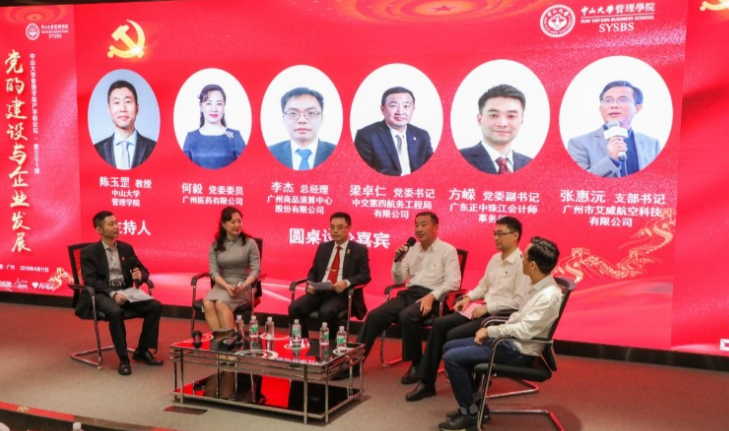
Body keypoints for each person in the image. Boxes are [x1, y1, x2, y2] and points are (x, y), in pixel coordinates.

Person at [437, 237, 563, 431]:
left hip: (518, 350)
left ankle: (469, 414)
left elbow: (523, 331)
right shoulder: (536, 284)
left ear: (533, 265)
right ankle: (477, 405)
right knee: (448, 347)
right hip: (508, 341)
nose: (521, 259)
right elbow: (518, 318)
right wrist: (494, 330)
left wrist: (490, 330)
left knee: (452, 358)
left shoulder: (548, 296)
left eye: (524, 256)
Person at [404, 216, 530, 401]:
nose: (496, 238)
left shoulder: (522, 263)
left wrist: (488, 307)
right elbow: (483, 286)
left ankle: (471, 385)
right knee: (439, 325)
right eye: (494, 233)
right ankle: (427, 383)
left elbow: (519, 302)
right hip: (483, 310)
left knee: (453, 335)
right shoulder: (495, 259)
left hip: (500, 316)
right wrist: (468, 297)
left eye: (501, 234)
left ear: (515, 235)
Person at [355, 212, 461, 381]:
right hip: (410, 294)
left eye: (424, 224)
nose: (419, 229)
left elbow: (454, 282)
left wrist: (432, 296)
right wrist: (397, 261)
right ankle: (354, 363)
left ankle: (417, 365)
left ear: (436, 228)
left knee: (407, 316)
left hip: (433, 298)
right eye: (416, 225)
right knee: (375, 315)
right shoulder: (411, 249)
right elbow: (399, 280)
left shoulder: (448, 250)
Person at [79, 211, 163, 376]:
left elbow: (142, 269)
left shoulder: (125, 248)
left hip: (126, 290)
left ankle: (142, 350)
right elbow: (91, 280)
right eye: (111, 224)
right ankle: (124, 358)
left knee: (155, 306)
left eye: (117, 223)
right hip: (101, 293)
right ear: (99, 230)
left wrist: (140, 275)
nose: (117, 227)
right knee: (116, 312)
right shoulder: (89, 252)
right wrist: (112, 294)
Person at [288, 212, 371, 338]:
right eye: (332, 227)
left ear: (349, 228)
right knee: (294, 308)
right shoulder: (323, 247)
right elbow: (313, 271)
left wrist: (346, 282)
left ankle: (329, 346)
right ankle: (302, 342)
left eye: (339, 227)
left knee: (326, 312)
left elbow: (365, 276)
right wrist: (310, 284)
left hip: (341, 294)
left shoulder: (359, 250)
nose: (335, 231)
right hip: (320, 292)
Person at [567, 80, 661, 177]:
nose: (614, 105)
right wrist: (611, 160)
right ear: (600, 109)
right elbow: (579, 181)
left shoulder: (652, 144)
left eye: (623, 100)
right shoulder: (578, 144)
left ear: (637, 108)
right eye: (608, 100)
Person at [203, 206, 261, 332]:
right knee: (207, 303)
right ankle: (220, 342)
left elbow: (256, 270)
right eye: (232, 222)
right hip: (223, 284)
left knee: (221, 304)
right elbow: (213, 272)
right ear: (223, 224)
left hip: (243, 285)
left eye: (239, 221)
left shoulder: (250, 243)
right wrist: (226, 286)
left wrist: (244, 285)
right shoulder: (216, 245)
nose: (237, 225)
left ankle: (230, 342)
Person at [354, 86, 433, 176]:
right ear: (382, 109)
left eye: (406, 106)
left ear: (413, 109)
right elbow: (362, 172)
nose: (400, 112)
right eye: (393, 106)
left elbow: (431, 168)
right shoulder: (366, 136)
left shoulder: (422, 136)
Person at [459, 84, 532, 174]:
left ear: (521, 120)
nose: (502, 124)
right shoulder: (458, 159)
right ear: (479, 119)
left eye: (511, 116)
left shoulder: (531, 164)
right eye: (494, 115)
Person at [94, 80, 157, 170]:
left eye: (128, 102)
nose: (123, 109)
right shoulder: (96, 150)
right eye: (116, 102)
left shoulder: (154, 149)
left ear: (137, 108)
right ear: (109, 109)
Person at [268, 87, 336, 170]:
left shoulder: (337, 152)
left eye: (311, 113)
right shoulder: (269, 153)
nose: (302, 120)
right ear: (284, 119)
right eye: (293, 113)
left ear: (321, 118)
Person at [182, 84, 246, 169]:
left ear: (224, 106)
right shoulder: (191, 138)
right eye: (209, 103)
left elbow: (245, 170)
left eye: (219, 104)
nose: (214, 109)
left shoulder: (235, 136)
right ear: (201, 106)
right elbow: (184, 171)